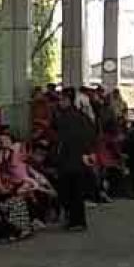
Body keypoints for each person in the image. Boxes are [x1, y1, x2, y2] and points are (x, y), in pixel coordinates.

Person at [53, 87, 96, 231]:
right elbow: (91, 134)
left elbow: (61, 140)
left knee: (70, 192)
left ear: (68, 100)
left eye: (62, 99)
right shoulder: (82, 117)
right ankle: (78, 221)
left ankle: (73, 221)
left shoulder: (64, 118)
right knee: (77, 192)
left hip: (68, 161)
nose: (60, 102)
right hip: (79, 160)